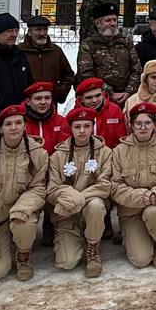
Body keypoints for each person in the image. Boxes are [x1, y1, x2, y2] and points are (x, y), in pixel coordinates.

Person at [0, 104, 49, 281]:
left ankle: (23, 255)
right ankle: (5, 244)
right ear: (0, 128)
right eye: (8, 124)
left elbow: (39, 189)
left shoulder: (39, 155)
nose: (14, 128)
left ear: (24, 125)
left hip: (23, 214)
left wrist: (21, 209)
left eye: (18, 122)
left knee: (23, 223)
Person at [104, 103, 156, 269]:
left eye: (147, 123)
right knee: (141, 260)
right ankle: (131, 236)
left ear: (154, 125)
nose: (143, 127)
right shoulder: (120, 151)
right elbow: (116, 186)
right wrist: (143, 197)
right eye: (138, 123)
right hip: (130, 211)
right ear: (132, 126)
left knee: (153, 212)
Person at [45, 109, 112, 277]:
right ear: (70, 129)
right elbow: (52, 190)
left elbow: (105, 185)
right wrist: (68, 198)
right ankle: (71, 239)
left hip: (89, 210)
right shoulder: (57, 156)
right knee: (67, 263)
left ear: (92, 127)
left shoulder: (105, 153)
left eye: (87, 126)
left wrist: (77, 198)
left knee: (96, 204)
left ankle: (93, 248)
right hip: (66, 215)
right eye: (78, 126)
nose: (82, 131)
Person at [77, 3, 141, 104]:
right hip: (99, 98)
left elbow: (136, 69)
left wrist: (129, 91)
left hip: (127, 97)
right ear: (98, 23)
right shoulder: (89, 44)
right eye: (108, 20)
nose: (113, 23)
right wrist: (109, 93)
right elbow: (86, 74)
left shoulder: (126, 42)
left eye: (115, 20)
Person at [20, 15, 74, 104]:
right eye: (38, 30)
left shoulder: (56, 51)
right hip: (26, 105)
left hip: (50, 104)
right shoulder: (19, 52)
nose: (42, 33)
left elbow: (68, 75)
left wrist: (59, 92)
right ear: (29, 32)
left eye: (45, 29)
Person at [23, 80, 71, 153]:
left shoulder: (62, 122)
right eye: (38, 98)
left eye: (47, 98)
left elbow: (64, 150)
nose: (43, 102)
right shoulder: (20, 123)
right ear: (28, 101)